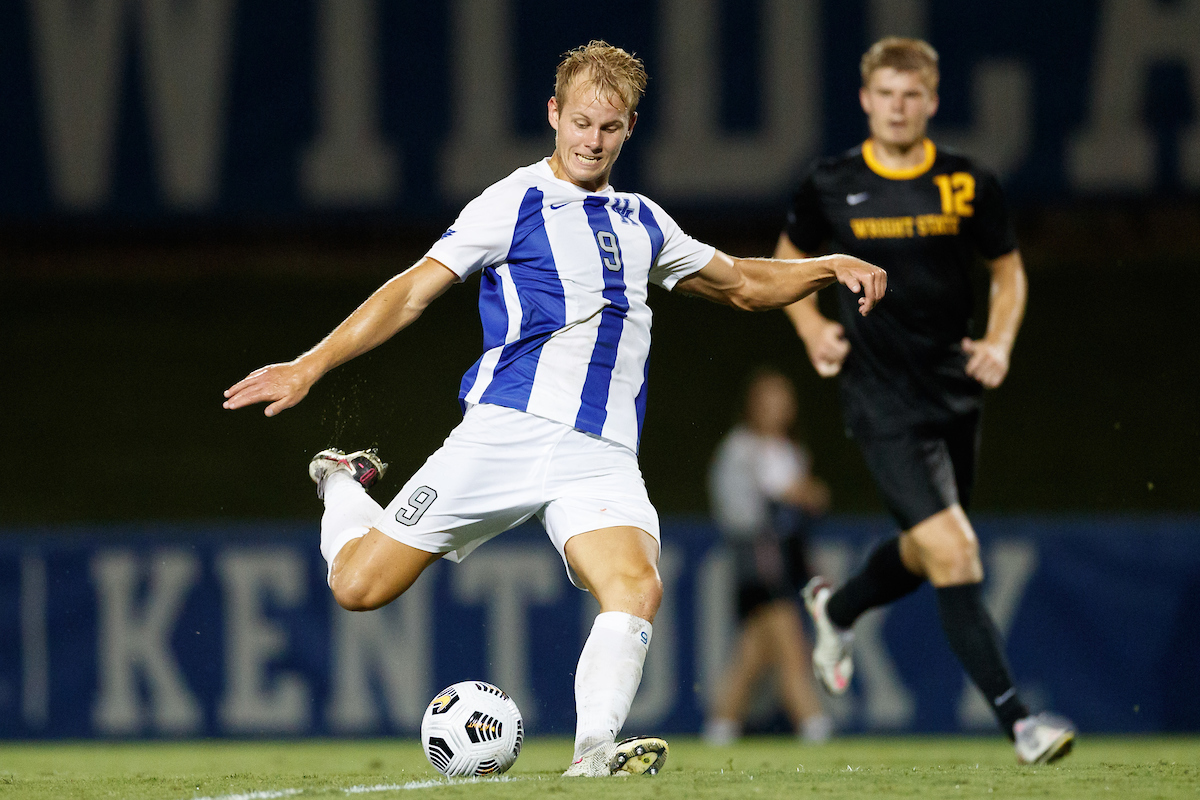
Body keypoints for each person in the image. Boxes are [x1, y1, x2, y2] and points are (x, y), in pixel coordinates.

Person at [223, 41, 886, 778]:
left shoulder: (644, 222)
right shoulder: (512, 202)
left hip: (598, 453)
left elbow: (742, 284)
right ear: (553, 114)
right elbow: (412, 290)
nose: (590, 140)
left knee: (636, 585)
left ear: (630, 127)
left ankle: (592, 753)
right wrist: (310, 365)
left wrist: (825, 266)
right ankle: (340, 482)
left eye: (608, 127)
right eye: (579, 123)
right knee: (356, 588)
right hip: (504, 433)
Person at [775, 37, 1074, 764]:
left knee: (931, 547)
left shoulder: (967, 182)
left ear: (932, 102)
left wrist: (999, 342)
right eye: (887, 94)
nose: (899, 107)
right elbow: (789, 258)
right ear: (865, 100)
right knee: (955, 547)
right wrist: (813, 326)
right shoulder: (832, 180)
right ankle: (1021, 724)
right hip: (878, 395)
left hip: (954, 390)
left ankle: (835, 607)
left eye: (913, 95)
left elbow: (1008, 272)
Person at [703, 367, 833, 746]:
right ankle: (814, 725)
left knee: (755, 652)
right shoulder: (743, 448)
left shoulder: (791, 451)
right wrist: (807, 493)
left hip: (782, 559)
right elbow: (781, 496)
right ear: (753, 406)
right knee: (791, 645)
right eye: (769, 400)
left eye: (783, 400)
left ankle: (721, 728)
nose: (777, 408)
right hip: (756, 558)